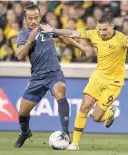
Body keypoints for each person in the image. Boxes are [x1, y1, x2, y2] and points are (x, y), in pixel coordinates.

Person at [41, 12, 128, 150]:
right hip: (97, 77)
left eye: (105, 29)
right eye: (100, 29)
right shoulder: (94, 34)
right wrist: (53, 30)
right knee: (84, 107)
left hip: (114, 83)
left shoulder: (121, 38)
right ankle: (75, 144)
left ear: (112, 26)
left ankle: (110, 113)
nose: (102, 32)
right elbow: (72, 33)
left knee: (96, 117)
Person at [14, 2, 87, 148]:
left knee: (60, 90)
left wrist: (80, 46)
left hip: (54, 73)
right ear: (25, 19)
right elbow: (20, 55)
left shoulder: (46, 29)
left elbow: (62, 38)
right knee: (22, 112)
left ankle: (65, 135)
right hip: (37, 78)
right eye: (30, 18)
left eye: (36, 17)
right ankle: (25, 132)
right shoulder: (23, 34)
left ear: (40, 17)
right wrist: (30, 40)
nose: (33, 21)